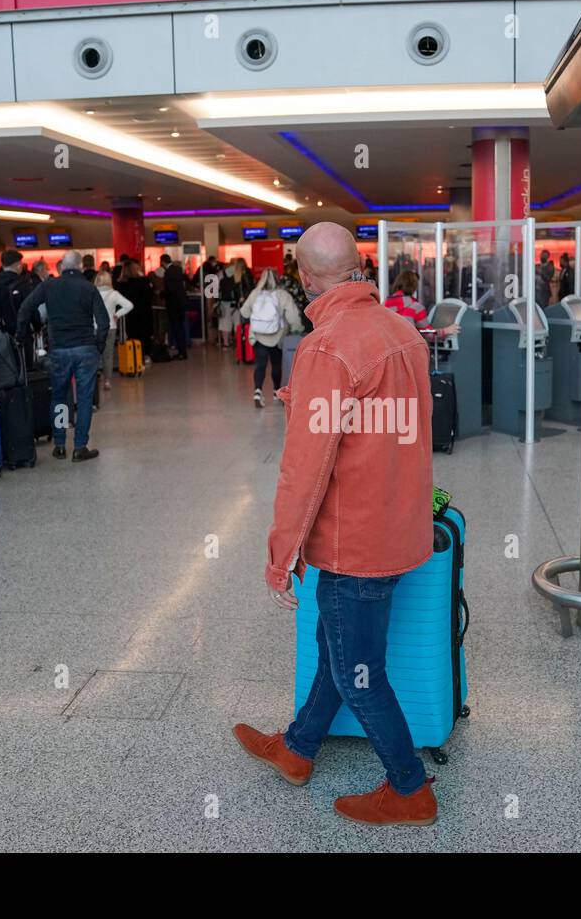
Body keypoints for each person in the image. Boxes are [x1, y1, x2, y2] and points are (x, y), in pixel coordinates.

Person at [233, 221, 438, 827]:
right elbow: (404, 434)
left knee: (359, 671)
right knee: (337, 647)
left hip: (354, 541)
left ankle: (409, 789)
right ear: (358, 265)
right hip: (400, 528)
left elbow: (305, 467)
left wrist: (281, 556)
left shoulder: (326, 349)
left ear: (302, 277)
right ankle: (297, 748)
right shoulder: (403, 332)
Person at [17, 250, 108, 461]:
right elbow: (103, 322)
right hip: (85, 348)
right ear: (80, 267)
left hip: (58, 350)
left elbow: (26, 307)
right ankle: (79, 447)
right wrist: (99, 347)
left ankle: (59, 444)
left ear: (62, 267)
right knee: (84, 399)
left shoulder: (49, 285)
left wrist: (21, 334)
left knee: (58, 397)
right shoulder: (88, 287)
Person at [239, 268, 299, 407]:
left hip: (258, 336)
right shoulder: (282, 295)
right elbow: (293, 317)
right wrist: (297, 329)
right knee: (276, 365)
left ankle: (258, 392)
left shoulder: (255, 294)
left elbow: (244, 312)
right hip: (277, 337)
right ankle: (276, 392)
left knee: (260, 365)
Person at [94, 271, 135, 391]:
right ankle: (107, 381)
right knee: (108, 355)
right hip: (110, 327)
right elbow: (129, 305)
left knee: (93, 355)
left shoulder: (92, 292)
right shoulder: (114, 294)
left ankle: (94, 380)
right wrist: (117, 315)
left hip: (95, 328)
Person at [160, 253, 189, 360]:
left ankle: (181, 351)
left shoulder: (168, 272)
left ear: (163, 262)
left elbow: (170, 290)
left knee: (176, 328)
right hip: (181, 304)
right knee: (181, 328)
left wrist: (162, 294)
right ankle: (183, 350)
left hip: (173, 305)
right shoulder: (178, 269)